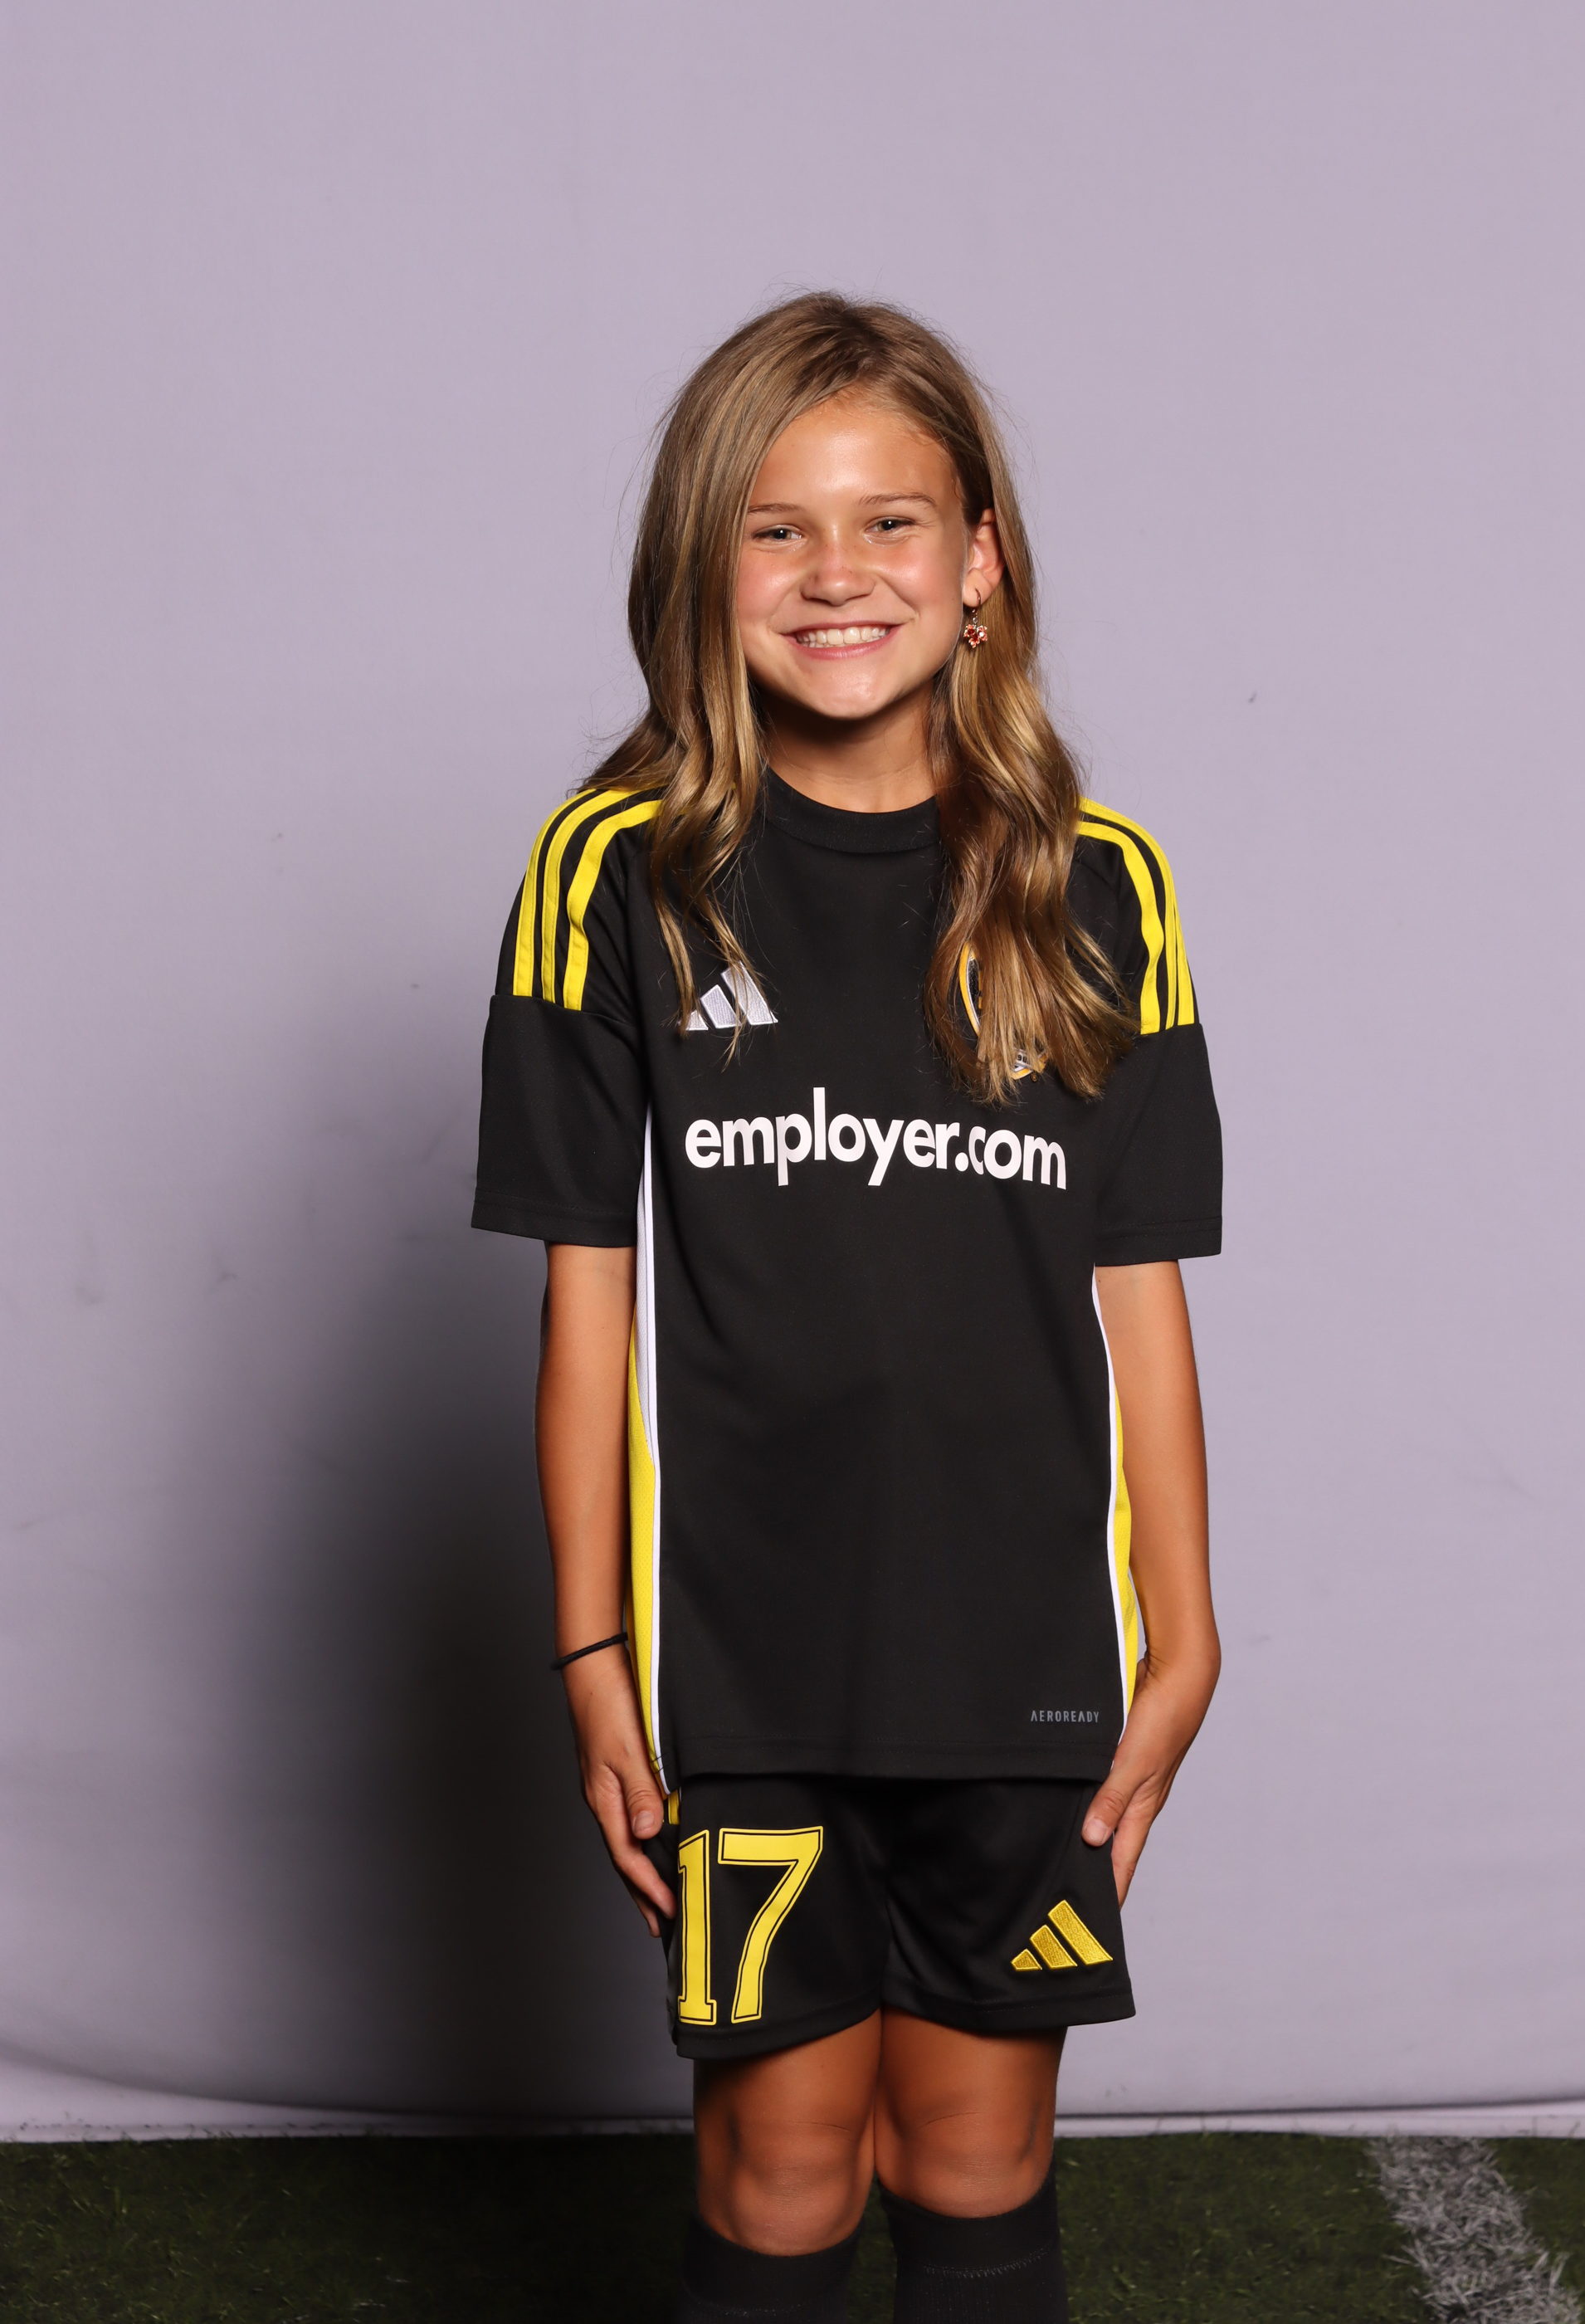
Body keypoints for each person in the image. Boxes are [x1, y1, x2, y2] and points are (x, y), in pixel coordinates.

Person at [472, 294, 1222, 2324]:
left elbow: (1136, 1293)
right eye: (776, 529)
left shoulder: (1100, 884)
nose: (837, 574)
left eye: (889, 522)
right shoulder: (614, 872)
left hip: (1021, 1652)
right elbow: (585, 1301)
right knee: (783, 2158)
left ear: (979, 562)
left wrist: (1184, 1630)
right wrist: (591, 1644)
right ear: (701, 568)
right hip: (740, 1662)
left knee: (977, 2151)